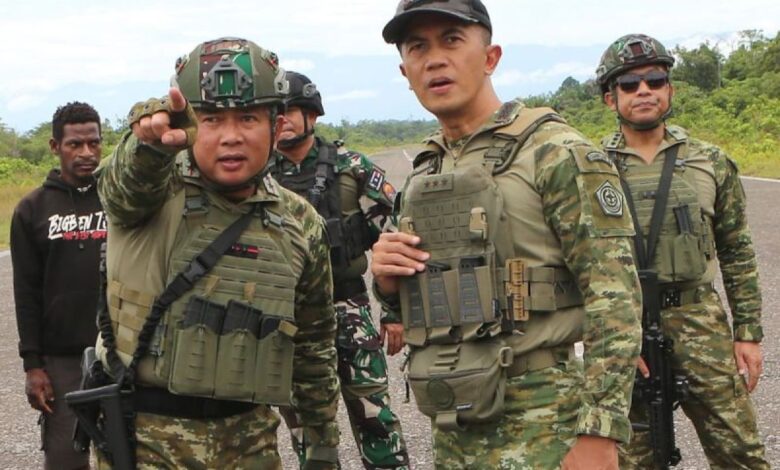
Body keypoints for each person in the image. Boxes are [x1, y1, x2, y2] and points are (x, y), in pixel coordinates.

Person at [372, 1, 642, 469]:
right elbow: (416, 306)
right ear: (405, 72)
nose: (435, 60)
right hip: (455, 418)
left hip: (547, 419)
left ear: (491, 57)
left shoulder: (555, 151)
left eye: (452, 40)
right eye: (418, 47)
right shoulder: (426, 173)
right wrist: (387, 282)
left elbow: (615, 296)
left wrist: (599, 430)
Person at [93, 37, 339, 469]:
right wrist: (147, 145)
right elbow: (120, 189)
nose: (230, 137)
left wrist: (322, 447)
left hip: (249, 444)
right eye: (210, 119)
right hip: (145, 444)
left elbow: (313, 347)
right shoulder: (153, 190)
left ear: (277, 125)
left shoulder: (300, 222)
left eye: (248, 118)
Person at [596, 33, 770, 469]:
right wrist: (605, 337)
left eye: (655, 81)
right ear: (610, 98)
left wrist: (747, 333)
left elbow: (736, 248)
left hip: (699, 321)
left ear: (670, 90)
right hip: (626, 328)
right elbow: (576, 261)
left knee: (740, 452)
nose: (644, 91)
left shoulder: (709, 161)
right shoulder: (590, 169)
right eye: (629, 84)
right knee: (630, 459)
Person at [268, 71, 409, 470]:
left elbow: (396, 238)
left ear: (313, 114)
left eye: (292, 110)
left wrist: (395, 311)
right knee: (306, 429)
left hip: (347, 307)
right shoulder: (257, 176)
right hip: (287, 319)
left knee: (374, 416)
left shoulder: (351, 167)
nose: (283, 120)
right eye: (276, 112)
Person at [11, 101, 105, 470]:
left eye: (94, 143)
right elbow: (26, 293)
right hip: (63, 360)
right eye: (75, 144)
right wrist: (33, 365)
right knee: (66, 459)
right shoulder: (31, 210)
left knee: (130, 455)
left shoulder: (119, 200)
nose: (86, 153)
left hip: (121, 353)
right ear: (55, 147)